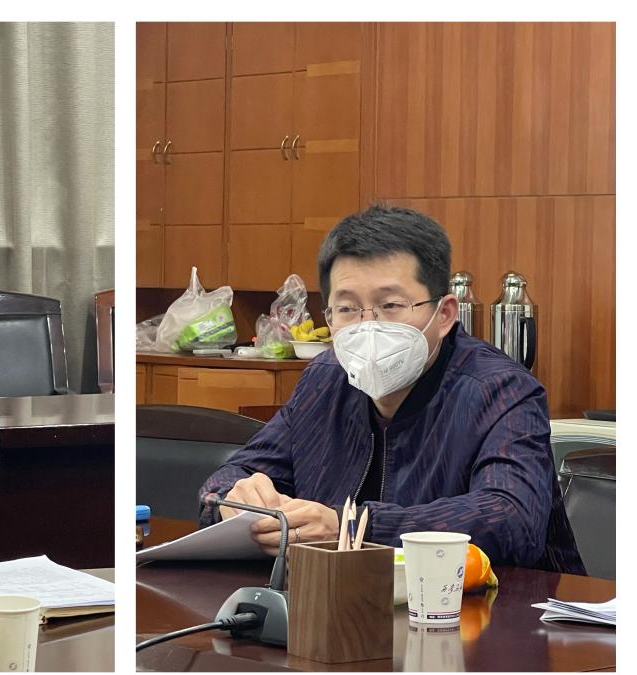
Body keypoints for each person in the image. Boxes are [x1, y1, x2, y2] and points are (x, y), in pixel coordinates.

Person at [198, 204, 584, 573]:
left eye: (391, 305)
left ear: (444, 314)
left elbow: (510, 520)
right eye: (347, 308)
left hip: (494, 608)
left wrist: (351, 526)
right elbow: (228, 479)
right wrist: (236, 499)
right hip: (340, 602)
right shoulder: (325, 380)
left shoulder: (501, 390)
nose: (368, 326)